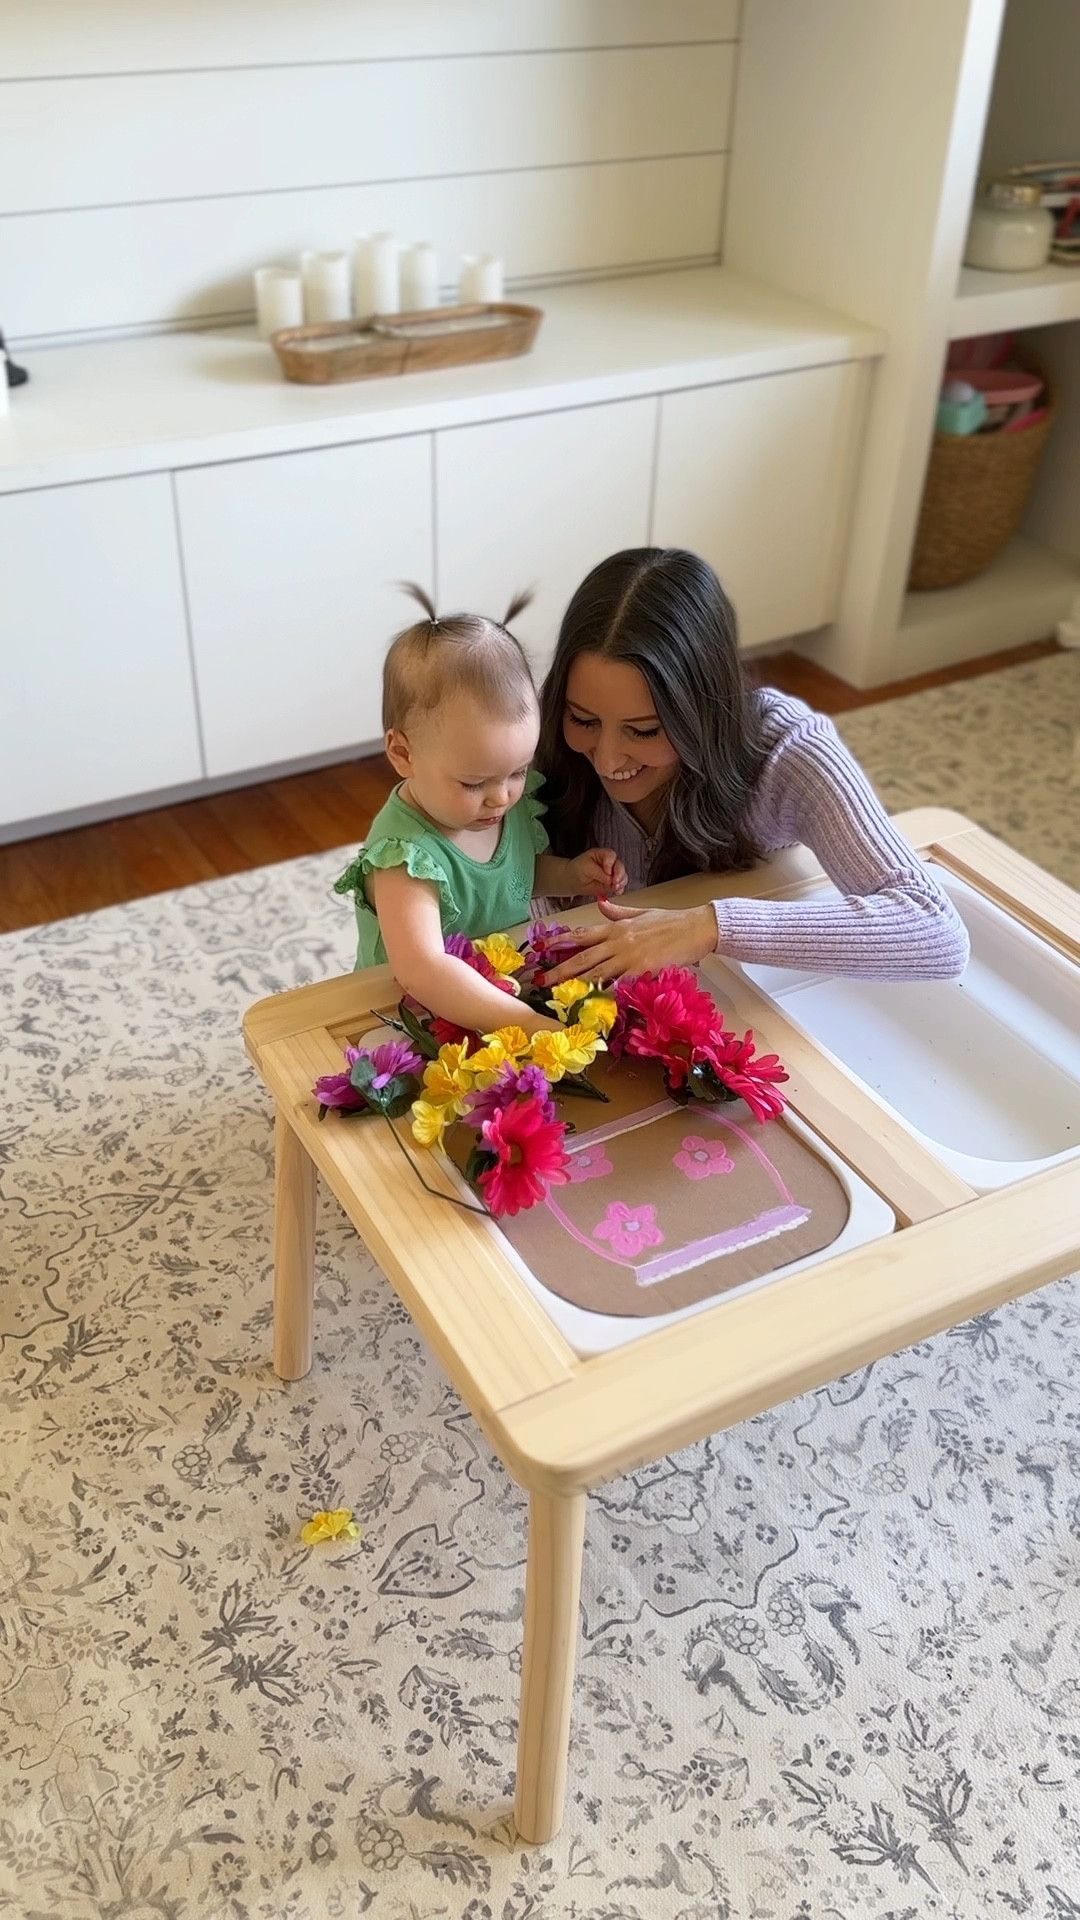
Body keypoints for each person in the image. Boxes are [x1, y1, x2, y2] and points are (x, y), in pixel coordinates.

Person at [535, 548, 970, 987]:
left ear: (705, 711)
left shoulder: (788, 750)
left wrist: (709, 927)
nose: (607, 760)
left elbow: (935, 929)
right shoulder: (531, 731)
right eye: (584, 720)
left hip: (744, 994)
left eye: (644, 731)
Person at [335, 586, 627, 1036]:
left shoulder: (503, 804)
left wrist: (569, 875)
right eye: (474, 783)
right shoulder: (403, 856)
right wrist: (524, 1023)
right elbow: (422, 968)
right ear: (402, 753)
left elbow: (508, 878)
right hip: (405, 1012)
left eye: (517, 772)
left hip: (494, 986)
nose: (502, 797)